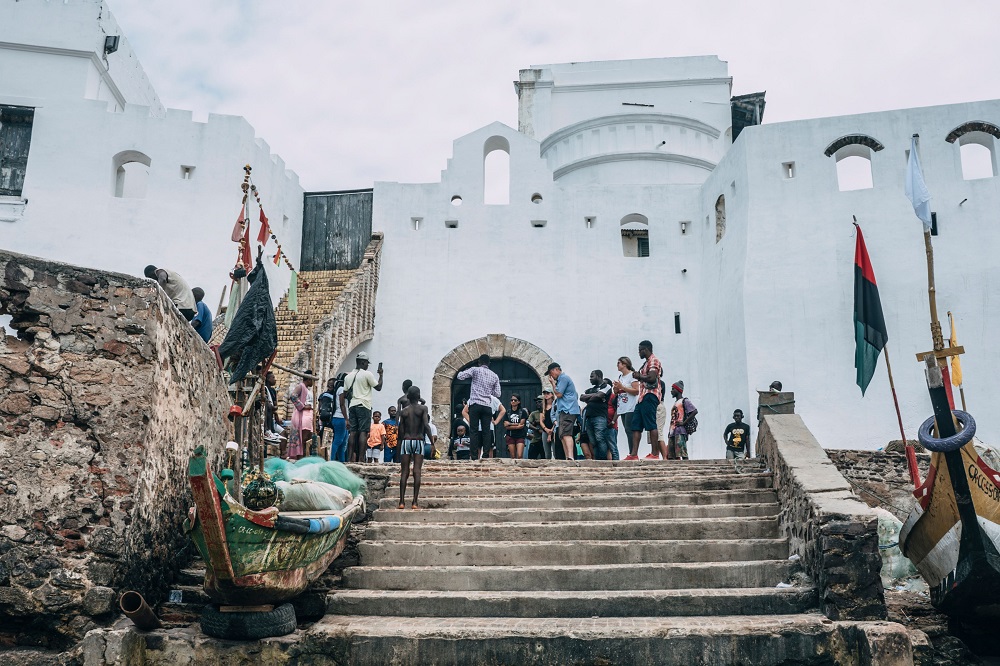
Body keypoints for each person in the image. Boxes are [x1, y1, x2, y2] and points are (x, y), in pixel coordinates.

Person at [341, 351, 383, 463]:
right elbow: (378, 387)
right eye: (367, 363)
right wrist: (381, 374)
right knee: (363, 432)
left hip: (352, 405)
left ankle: (349, 459)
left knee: (353, 432)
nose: (367, 365)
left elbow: (344, 394)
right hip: (364, 405)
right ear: (363, 362)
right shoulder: (367, 374)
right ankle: (360, 458)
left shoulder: (348, 376)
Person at [456, 355, 501, 460]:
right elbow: (497, 393)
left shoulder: (475, 370)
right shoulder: (494, 375)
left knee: (474, 430)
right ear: (489, 364)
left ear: (479, 362)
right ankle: (485, 456)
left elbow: (460, 376)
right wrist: (489, 390)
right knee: (486, 432)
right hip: (487, 406)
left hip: (475, 404)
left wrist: (465, 370)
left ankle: (474, 456)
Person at [628, 340, 667, 460]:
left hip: (650, 395)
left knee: (651, 424)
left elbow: (652, 377)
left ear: (645, 349)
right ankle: (633, 454)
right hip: (642, 397)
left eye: (640, 350)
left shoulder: (653, 360)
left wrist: (639, 376)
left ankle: (655, 454)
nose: (639, 352)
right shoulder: (645, 363)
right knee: (636, 425)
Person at [398, 385, 431, 509]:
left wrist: (400, 445)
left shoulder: (404, 411)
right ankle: (414, 502)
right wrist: (432, 443)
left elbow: (401, 430)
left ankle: (401, 502)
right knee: (417, 471)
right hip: (418, 440)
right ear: (418, 396)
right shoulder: (423, 408)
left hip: (406, 441)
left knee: (404, 472)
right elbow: (426, 426)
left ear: (408, 396)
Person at [546, 362, 581, 460]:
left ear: (556, 370)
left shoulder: (564, 378)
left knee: (566, 433)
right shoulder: (561, 379)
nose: (550, 376)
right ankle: (567, 456)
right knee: (562, 435)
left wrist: (553, 383)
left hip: (568, 409)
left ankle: (570, 456)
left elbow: (559, 394)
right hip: (564, 410)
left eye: (550, 373)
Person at [579, 370, 612, 461]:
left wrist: (591, 397)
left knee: (600, 438)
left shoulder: (607, 386)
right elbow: (581, 397)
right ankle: (597, 459)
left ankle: (602, 459)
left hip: (600, 417)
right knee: (593, 441)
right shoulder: (590, 389)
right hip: (589, 418)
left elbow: (599, 395)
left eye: (592, 376)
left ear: (598, 376)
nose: (590, 379)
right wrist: (595, 396)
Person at [612, 357, 639, 459]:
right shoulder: (621, 376)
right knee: (627, 430)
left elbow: (636, 390)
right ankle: (631, 452)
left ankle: (633, 453)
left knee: (630, 429)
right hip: (622, 407)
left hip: (630, 406)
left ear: (625, 364)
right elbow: (617, 392)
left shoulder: (632, 375)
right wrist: (616, 388)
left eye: (619, 363)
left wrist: (622, 387)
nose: (617, 365)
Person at [287, 372, 315, 461]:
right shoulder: (301, 386)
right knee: (304, 438)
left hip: (309, 415)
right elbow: (292, 396)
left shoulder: (307, 389)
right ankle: (300, 459)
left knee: (308, 439)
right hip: (303, 416)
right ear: (309, 379)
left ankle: (304, 458)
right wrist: (302, 406)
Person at [502, 394, 529, 460]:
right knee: (513, 456)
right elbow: (506, 425)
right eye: (512, 400)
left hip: (520, 436)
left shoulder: (522, 412)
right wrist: (517, 426)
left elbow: (522, 425)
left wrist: (510, 424)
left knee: (519, 455)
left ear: (519, 402)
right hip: (510, 436)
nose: (513, 401)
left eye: (515, 400)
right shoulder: (507, 412)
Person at [667, 381, 689, 460]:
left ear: (678, 390)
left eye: (673, 389)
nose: (671, 391)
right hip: (672, 432)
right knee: (671, 455)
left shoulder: (684, 401)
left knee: (683, 453)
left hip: (680, 431)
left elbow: (694, 411)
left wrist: (684, 422)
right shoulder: (676, 403)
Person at [329, 373, 348, 462]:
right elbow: (342, 405)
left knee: (343, 442)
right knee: (338, 440)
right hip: (340, 417)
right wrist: (346, 419)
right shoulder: (341, 389)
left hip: (339, 418)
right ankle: (331, 459)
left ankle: (342, 461)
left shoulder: (339, 389)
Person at [540, 388, 555, 459]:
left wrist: (551, 431)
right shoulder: (542, 407)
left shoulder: (555, 406)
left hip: (554, 429)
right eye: (545, 393)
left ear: (552, 394)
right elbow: (541, 421)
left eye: (548, 393)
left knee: (555, 450)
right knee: (547, 452)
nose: (546, 395)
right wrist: (546, 429)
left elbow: (556, 419)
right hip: (545, 431)